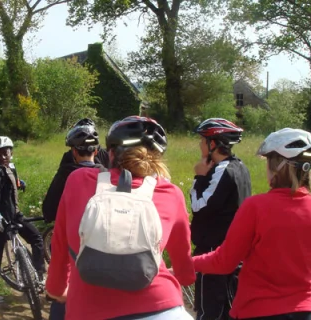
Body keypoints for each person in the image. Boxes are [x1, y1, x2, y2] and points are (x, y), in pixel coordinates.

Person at [46, 116, 196, 319]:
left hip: (88, 309)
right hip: (161, 306)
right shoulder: (171, 193)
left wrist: (56, 288)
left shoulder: (77, 181)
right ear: (156, 158)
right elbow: (185, 273)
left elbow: (60, 245)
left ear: (109, 152)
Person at [193, 128, 311, 320]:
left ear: (277, 166)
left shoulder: (256, 207)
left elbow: (224, 262)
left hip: (259, 310)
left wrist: (188, 263)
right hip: (304, 310)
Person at [189, 118, 252, 320]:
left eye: (202, 140)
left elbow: (199, 206)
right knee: (228, 308)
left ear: (213, 143)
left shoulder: (221, 170)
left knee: (209, 311)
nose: (200, 144)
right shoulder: (241, 167)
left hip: (214, 251)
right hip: (234, 250)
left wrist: (199, 177)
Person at [43, 119, 105, 319]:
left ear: (74, 152)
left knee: (64, 296)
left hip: (74, 249)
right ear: (96, 151)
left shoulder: (68, 174)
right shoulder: (109, 175)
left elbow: (50, 207)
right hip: (104, 250)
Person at [0, 136, 46, 303]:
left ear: (11, 152)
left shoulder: (11, 167)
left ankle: (38, 276)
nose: (2, 157)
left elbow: (9, 184)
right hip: (1, 220)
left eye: (5, 152)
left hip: (16, 215)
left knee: (37, 238)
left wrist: (18, 183)